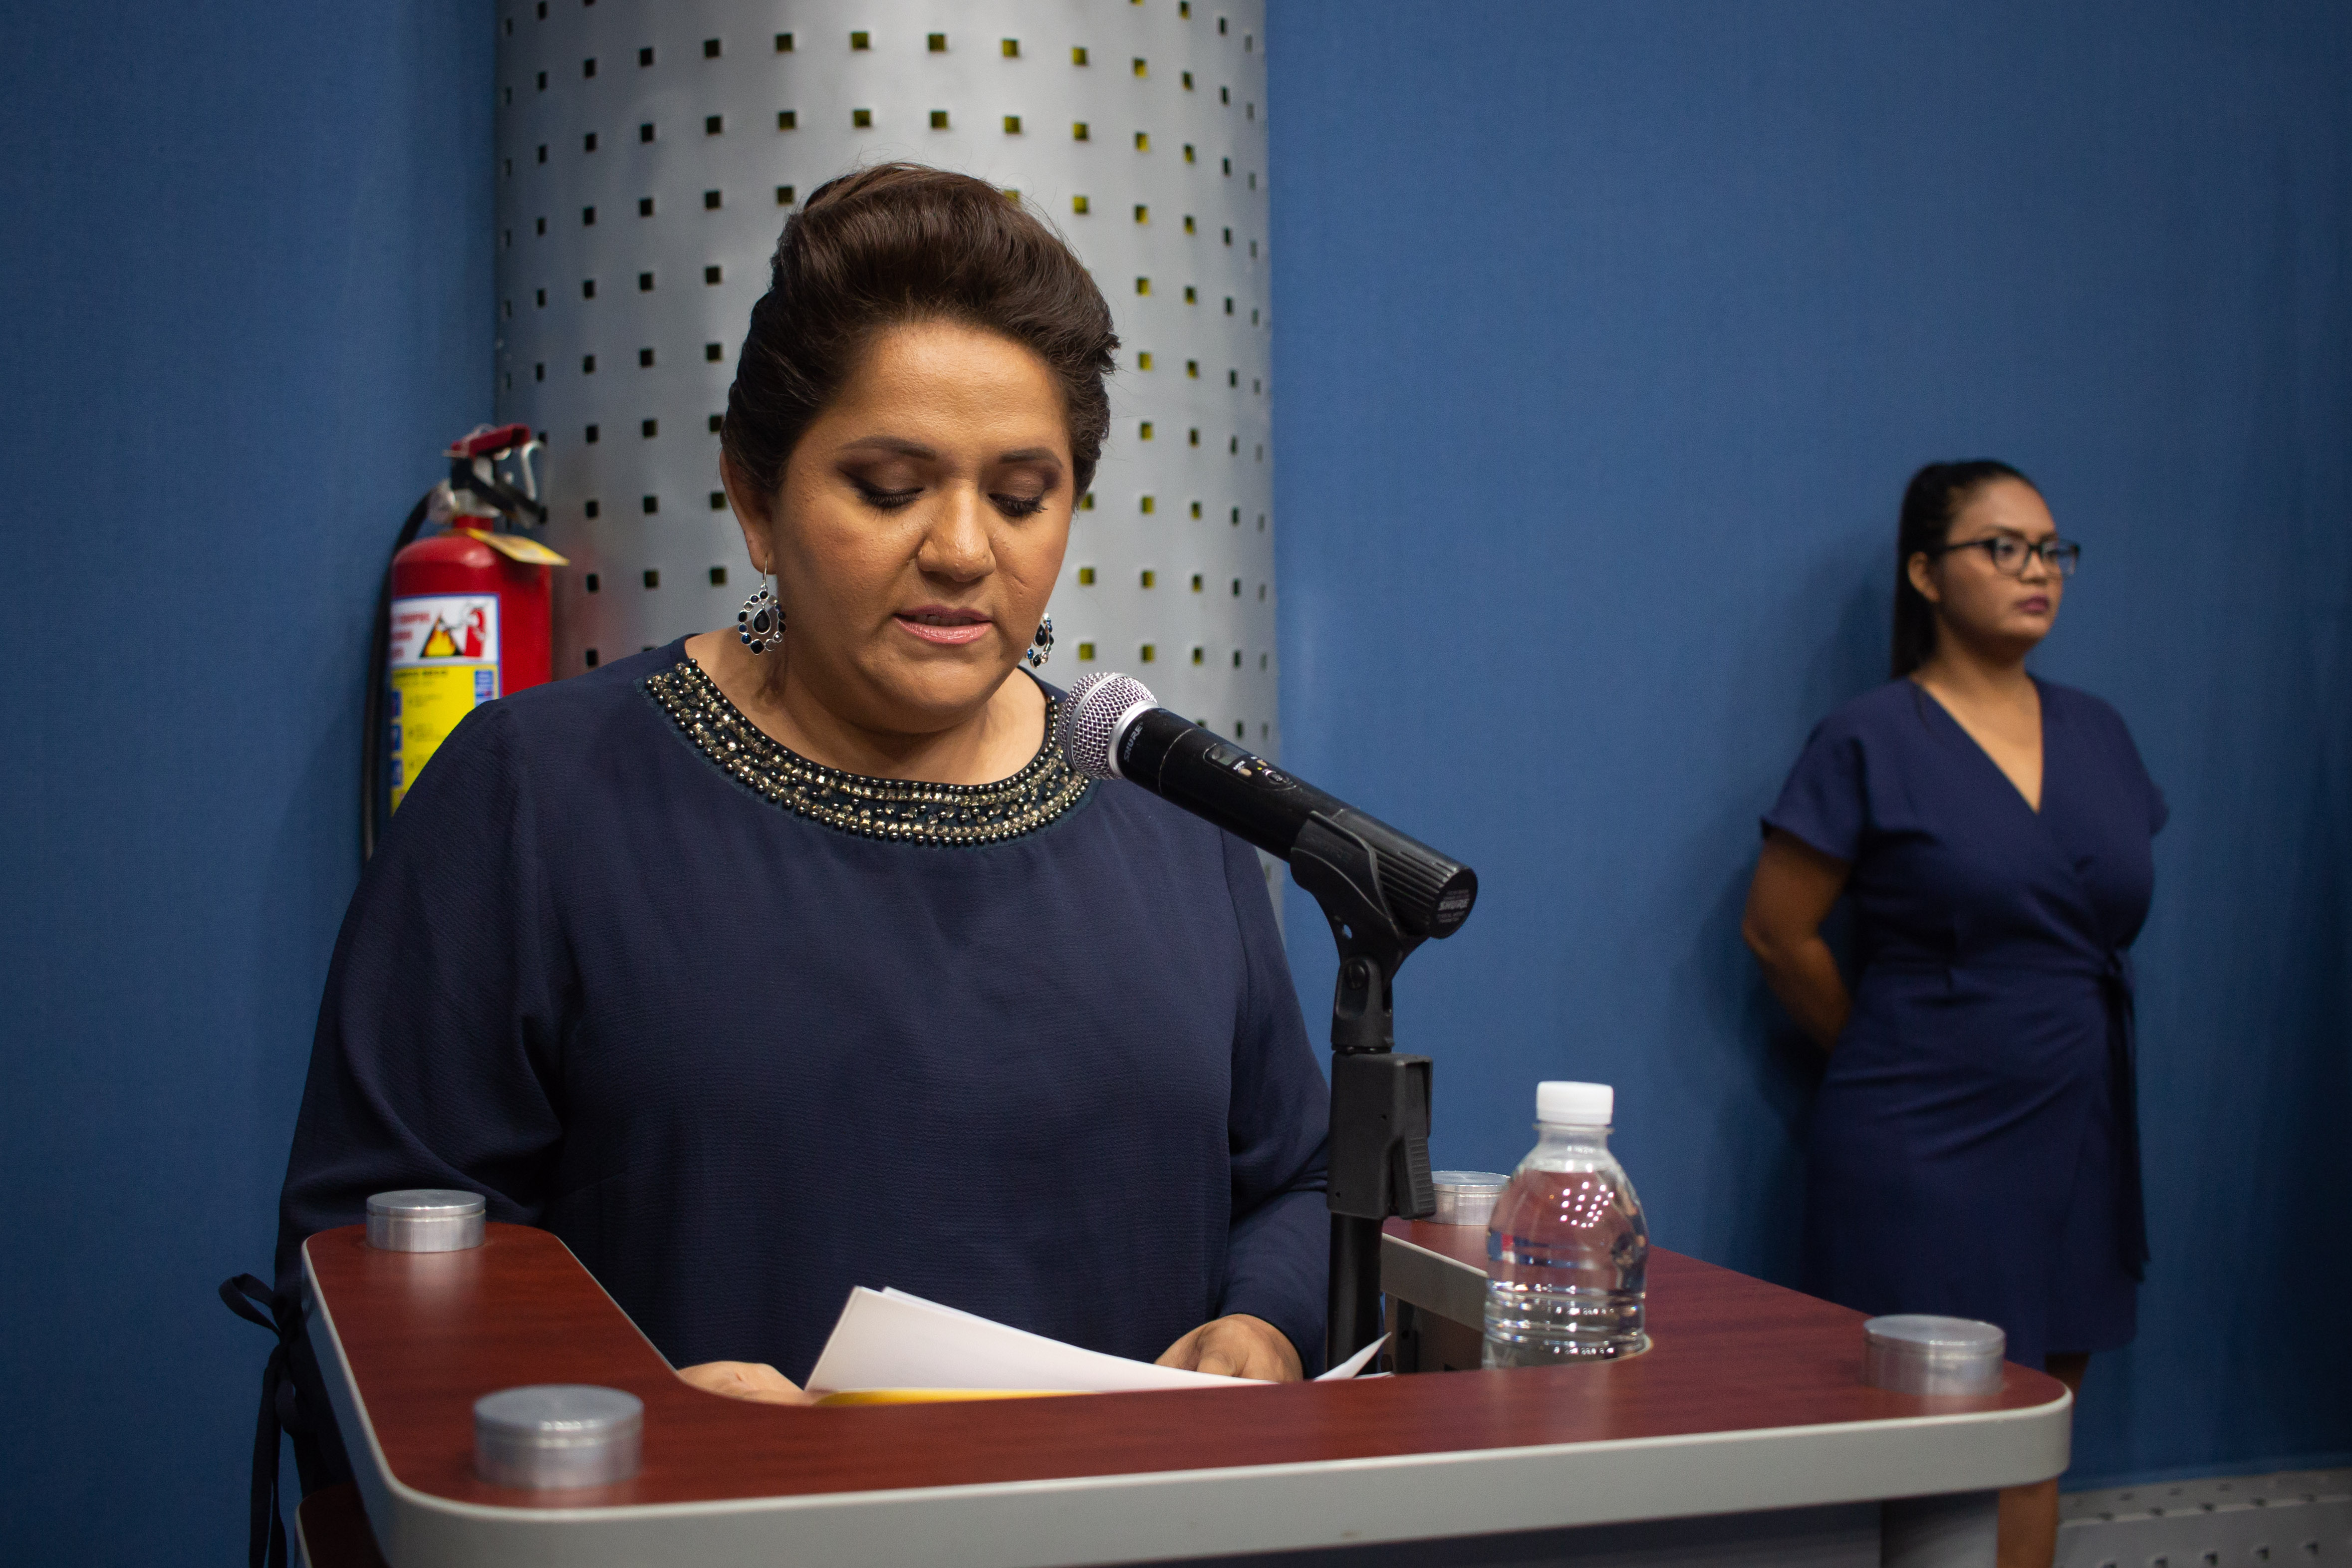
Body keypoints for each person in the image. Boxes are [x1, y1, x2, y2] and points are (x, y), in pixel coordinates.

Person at [274, 165, 1329, 1438]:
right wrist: (632, 1406)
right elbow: (367, 1259)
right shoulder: (535, 799)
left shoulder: (1168, 812)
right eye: (888, 487)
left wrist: (1263, 1322)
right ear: (755, 499)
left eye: (1019, 494)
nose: (960, 547)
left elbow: (1297, 1182)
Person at [1741, 461, 2164, 1568]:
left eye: (2050, 549)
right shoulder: (1870, 736)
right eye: (2003, 546)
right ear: (1925, 572)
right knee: (1924, 1438)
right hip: (1917, 1132)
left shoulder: (2100, 732)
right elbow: (1777, 932)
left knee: (2035, 1425)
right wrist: (1884, 1048)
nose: (2036, 571)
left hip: (2076, 1117)